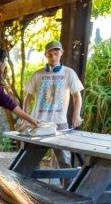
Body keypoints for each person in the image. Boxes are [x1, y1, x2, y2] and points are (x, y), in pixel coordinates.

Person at [23, 40, 85, 169]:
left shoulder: (69, 73)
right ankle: (30, 187)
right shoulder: (37, 74)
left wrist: (77, 115)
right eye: (50, 55)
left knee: (64, 160)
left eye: (56, 53)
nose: (53, 57)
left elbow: (77, 96)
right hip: (38, 122)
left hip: (60, 122)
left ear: (61, 53)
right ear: (45, 55)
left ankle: (66, 187)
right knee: (30, 160)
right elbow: (27, 98)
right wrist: (25, 117)